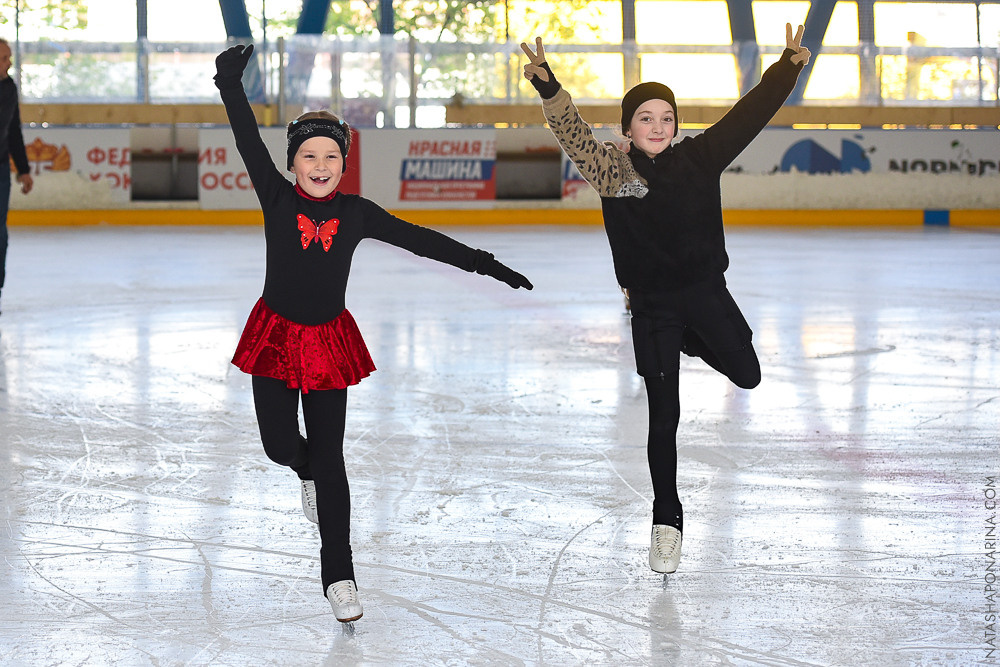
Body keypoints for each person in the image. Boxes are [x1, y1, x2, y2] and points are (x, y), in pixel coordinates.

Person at [213, 44, 532, 622]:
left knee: (332, 458)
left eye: (330, 156)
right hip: (276, 336)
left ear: (344, 162)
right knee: (280, 446)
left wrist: (484, 263)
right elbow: (245, 138)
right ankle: (304, 470)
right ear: (292, 163)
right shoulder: (276, 197)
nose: (320, 165)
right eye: (308, 156)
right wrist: (229, 82)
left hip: (327, 342)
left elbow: (420, 239)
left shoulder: (356, 212)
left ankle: (340, 575)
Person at [521, 25, 810, 575]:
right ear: (627, 128)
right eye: (646, 118)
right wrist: (549, 87)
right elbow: (572, 133)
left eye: (666, 118)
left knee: (747, 375)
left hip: (706, 296)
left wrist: (786, 68)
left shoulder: (700, 157)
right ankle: (666, 520)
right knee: (664, 418)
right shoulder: (612, 171)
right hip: (652, 308)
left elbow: (748, 116)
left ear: (677, 125)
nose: (657, 127)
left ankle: (691, 343)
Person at [0, 37, 34, 317]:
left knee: (0, 234)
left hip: (0, 169)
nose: (9, 63)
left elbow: (13, 130)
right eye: (3, 59)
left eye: (9, 58)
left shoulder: (9, 88)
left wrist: (23, 170)